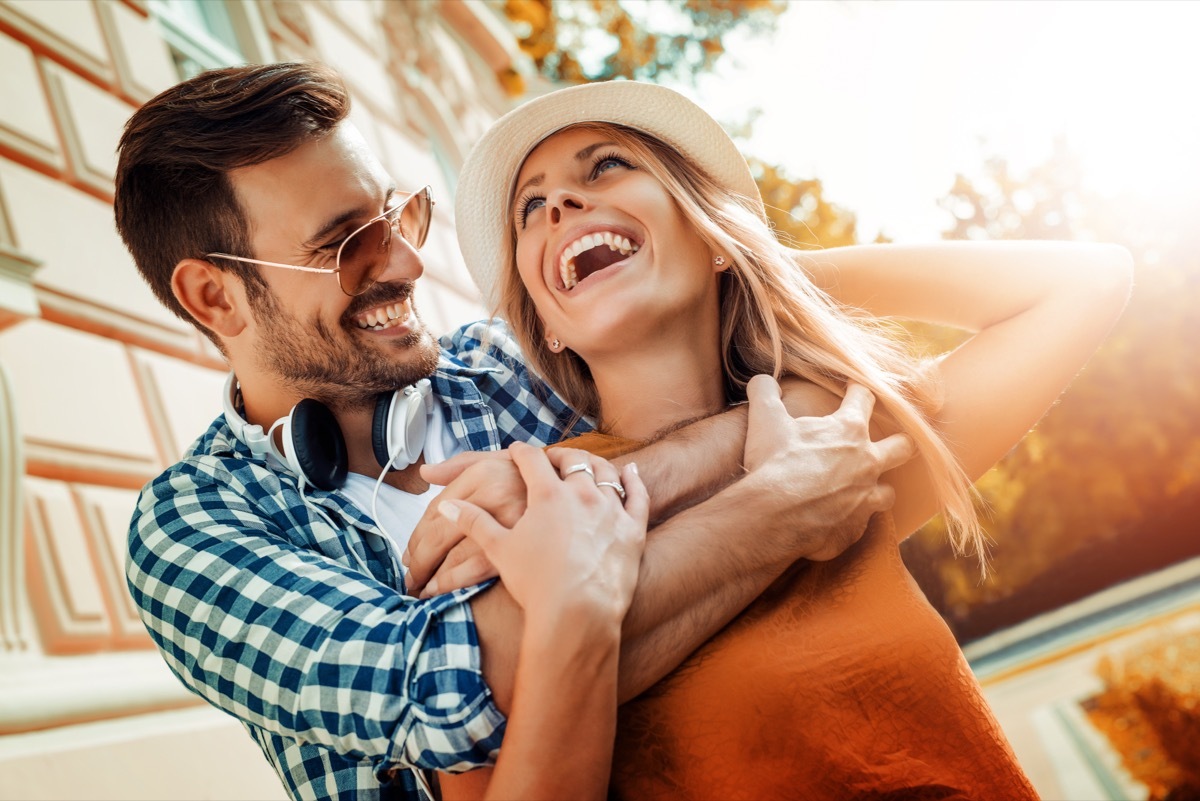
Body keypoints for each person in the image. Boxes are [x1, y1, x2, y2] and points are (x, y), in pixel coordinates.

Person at [115, 63, 914, 800]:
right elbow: (457, 691)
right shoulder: (191, 528)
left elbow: (799, 375)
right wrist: (774, 513)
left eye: (399, 216)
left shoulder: (503, 363)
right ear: (216, 299)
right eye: (346, 244)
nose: (406, 264)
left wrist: (604, 481)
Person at [424, 79, 1133, 798]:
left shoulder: (844, 445)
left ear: (708, 231)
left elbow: (1086, 281)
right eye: (530, 209)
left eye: (605, 166)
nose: (561, 205)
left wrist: (749, 262)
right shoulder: (515, 505)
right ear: (543, 322)